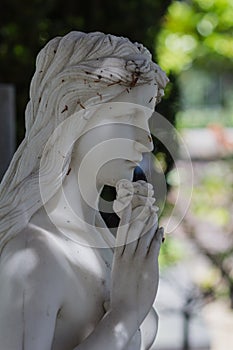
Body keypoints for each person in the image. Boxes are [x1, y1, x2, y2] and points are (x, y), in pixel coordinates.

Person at [0, 31, 168, 350]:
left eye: (146, 119)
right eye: (125, 116)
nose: (147, 140)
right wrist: (125, 315)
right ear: (71, 114)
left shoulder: (101, 239)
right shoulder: (32, 254)